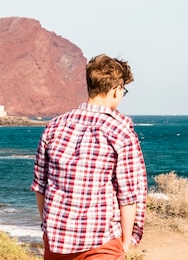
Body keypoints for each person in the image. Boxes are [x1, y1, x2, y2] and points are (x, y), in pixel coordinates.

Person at [31, 54, 147, 260]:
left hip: (57, 241)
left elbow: (40, 186)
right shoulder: (120, 131)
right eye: (123, 91)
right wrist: (126, 243)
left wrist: (48, 228)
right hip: (102, 243)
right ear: (115, 90)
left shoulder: (54, 126)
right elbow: (128, 195)